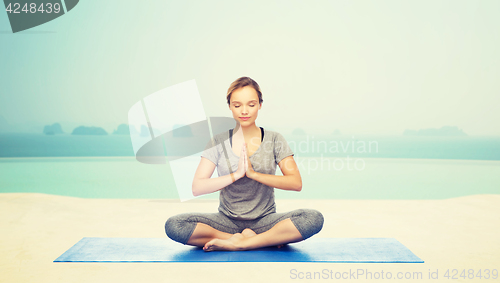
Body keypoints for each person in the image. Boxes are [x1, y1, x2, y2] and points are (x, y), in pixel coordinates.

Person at [165, 76, 324, 251]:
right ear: (230, 107)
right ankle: (248, 240)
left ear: (260, 105)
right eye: (237, 105)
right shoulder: (218, 141)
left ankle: (242, 243)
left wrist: (254, 174)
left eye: (251, 104)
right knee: (175, 225)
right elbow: (197, 187)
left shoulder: (275, 139)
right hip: (226, 221)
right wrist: (236, 175)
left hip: (265, 221)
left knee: (312, 218)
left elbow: (295, 182)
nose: (244, 111)